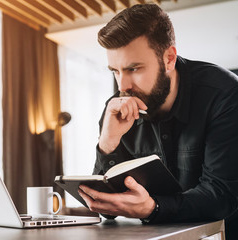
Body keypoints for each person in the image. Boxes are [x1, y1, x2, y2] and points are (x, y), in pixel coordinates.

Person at [77, 4, 238, 239]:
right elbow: (107, 210)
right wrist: (107, 142)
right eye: (115, 71)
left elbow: (222, 197)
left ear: (169, 59)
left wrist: (153, 208)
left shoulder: (224, 94)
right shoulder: (117, 107)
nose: (122, 86)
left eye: (133, 68)